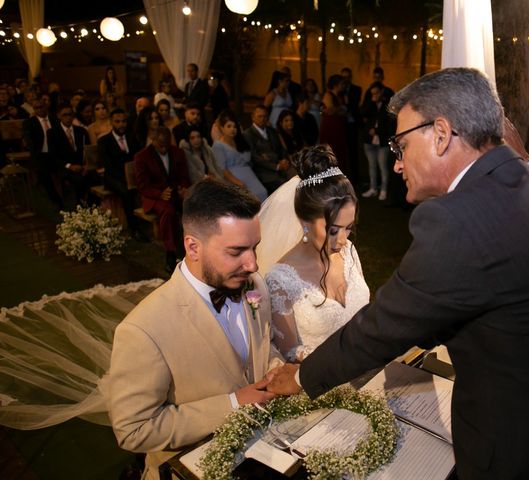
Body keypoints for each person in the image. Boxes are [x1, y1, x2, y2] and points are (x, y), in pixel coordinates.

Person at [268, 68, 529, 479]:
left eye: (400, 145)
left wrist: (301, 377)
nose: (397, 164)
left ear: (440, 133)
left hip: (525, 458)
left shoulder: (457, 218)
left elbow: (383, 327)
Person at [109, 178, 283, 480]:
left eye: (254, 247)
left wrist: (276, 368)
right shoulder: (143, 330)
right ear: (193, 246)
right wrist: (232, 404)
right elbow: (133, 430)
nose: (253, 264)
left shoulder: (254, 286)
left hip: (265, 453)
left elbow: (264, 344)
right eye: (236, 251)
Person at [258, 145, 369, 361]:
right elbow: (290, 353)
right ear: (304, 222)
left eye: (349, 227)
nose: (343, 240)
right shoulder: (280, 280)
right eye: (332, 230)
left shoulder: (350, 253)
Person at [134, 126, 190, 272]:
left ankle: (194, 247)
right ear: (152, 141)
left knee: (193, 206)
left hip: (174, 192)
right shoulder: (142, 157)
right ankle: (170, 253)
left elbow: (184, 176)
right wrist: (159, 194)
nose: (164, 148)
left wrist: (183, 188)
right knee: (168, 212)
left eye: (166, 144)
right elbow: (142, 186)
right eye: (160, 145)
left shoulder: (177, 152)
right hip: (153, 195)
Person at [98, 108, 143, 239]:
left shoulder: (132, 138)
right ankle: (134, 228)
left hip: (131, 175)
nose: (121, 124)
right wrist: (126, 178)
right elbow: (108, 166)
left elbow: (138, 158)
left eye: (123, 121)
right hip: (113, 177)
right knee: (127, 191)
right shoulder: (104, 141)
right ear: (111, 122)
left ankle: (144, 220)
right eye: (117, 121)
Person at [47, 102, 97, 208]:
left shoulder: (81, 131)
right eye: (65, 115)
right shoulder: (52, 133)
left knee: (95, 178)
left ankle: (92, 205)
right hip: (65, 167)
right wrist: (70, 166)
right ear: (58, 116)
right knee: (79, 181)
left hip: (82, 166)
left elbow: (88, 152)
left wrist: (86, 166)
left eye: (70, 114)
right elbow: (53, 157)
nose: (68, 118)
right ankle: (80, 207)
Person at [212, 109, 268, 202]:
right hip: (233, 177)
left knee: (262, 192)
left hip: (249, 173)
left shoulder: (239, 141)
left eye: (234, 126)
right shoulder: (218, 145)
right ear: (222, 128)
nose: (232, 129)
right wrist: (237, 182)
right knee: (251, 199)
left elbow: (249, 158)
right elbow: (223, 169)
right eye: (228, 126)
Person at [244, 105, 296, 193]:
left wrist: (284, 160)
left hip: (281, 165)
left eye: (265, 116)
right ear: (253, 117)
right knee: (285, 186)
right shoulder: (247, 134)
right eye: (259, 116)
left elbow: (281, 148)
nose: (262, 119)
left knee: (297, 178)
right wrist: (276, 166)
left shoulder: (271, 131)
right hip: (264, 171)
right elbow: (255, 157)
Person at [361, 81, 395, 200]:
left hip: (383, 141)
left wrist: (377, 130)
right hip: (369, 141)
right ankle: (373, 188)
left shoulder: (388, 104)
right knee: (372, 166)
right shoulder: (371, 103)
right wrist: (371, 102)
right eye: (372, 93)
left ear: (382, 91)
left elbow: (390, 124)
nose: (375, 95)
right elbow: (363, 114)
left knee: (383, 166)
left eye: (376, 93)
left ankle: (384, 190)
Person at [319, 74, 349, 175]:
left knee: (340, 151)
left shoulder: (341, 96)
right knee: (331, 149)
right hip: (330, 126)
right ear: (335, 84)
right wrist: (340, 109)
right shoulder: (328, 95)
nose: (343, 86)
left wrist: (340, 110)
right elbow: (330, 110)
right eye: (341, 84)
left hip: (339, 126)